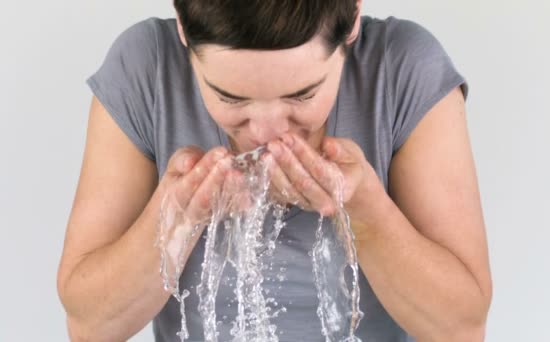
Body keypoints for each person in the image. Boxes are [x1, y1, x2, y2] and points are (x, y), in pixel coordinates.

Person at [57, 0, 493, 341]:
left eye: (302, 95)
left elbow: (460, 328)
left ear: (353, 20)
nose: (265, 132)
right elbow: (89, 326)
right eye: (231, 98)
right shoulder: (143, 69)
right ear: (183, 30)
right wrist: (178, 219)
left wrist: (364, 213)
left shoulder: (405, 69)